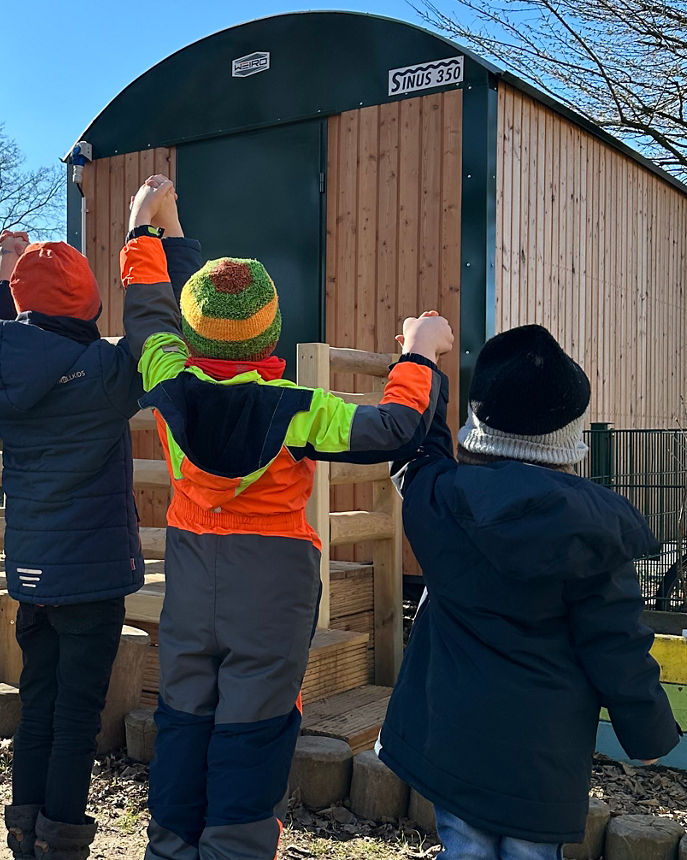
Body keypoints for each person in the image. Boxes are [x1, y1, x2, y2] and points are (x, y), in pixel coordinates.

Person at [120, 175, 454, 860]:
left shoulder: (167, 374)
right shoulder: (299, 407)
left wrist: (146, 230)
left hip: (190, 571)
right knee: (257, 725)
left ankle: (170, 847)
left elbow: (151, 314)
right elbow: (396, 428)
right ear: (270, 329)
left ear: (193, 330)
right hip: (272, 583)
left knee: (185, 716)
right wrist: (418, 353)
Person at [377, 324, 681, 856]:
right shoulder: (589, 533)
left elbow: (415, 448)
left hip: (453, 736)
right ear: (566, 435)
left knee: (464, 846)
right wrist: (646, 730)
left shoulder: (443, 501)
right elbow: (616, 643)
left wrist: (421, 358)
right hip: (542, 754)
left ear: (480, 423)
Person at [0, 228, 196, 860]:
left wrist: (3, 281)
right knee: (75, 715)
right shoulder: (105, 371)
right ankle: (60, 840)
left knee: (38, 699)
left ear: (18, 305)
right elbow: (163, 332)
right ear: (90, 304)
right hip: (92, 578)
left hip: (32, 572)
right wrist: (157, 236)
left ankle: (24, 831)